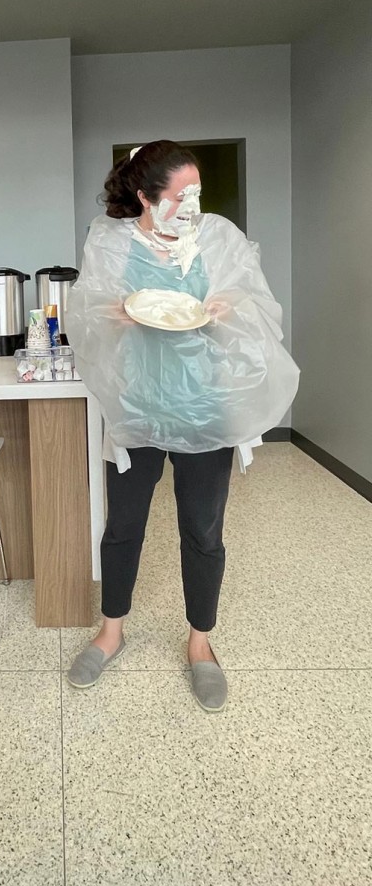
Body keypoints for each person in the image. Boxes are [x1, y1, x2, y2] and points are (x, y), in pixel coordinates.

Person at [65, 140, 299, 711]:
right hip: (137, 405)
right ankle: (111, 631)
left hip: (204, 406)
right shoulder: (112, 240)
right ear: (144, 196)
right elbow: (86, 307)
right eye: (180, 194)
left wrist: (228, 304)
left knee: (202, 528)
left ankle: (200, 644)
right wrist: (114, 312)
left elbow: (256, 301)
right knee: (123, 525)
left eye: (198, 192)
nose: (193, 204)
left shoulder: (217, 236)